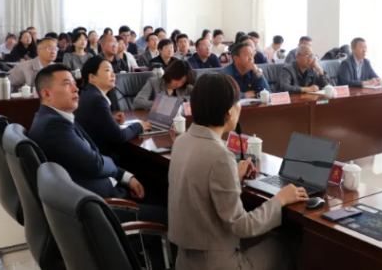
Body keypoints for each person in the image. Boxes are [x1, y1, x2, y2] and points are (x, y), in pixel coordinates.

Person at [169, 72, 305, 270]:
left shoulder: (181, 141)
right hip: (217, 264)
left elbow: (200, 184)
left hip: (185, 261)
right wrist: (280, 199)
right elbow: (242, 226)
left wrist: (233, 175)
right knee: (285, 245)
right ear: (230, 112)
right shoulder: (220, 156)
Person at [27, 64, 166, 224]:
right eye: (67, 84)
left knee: (159, 191)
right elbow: (96, 163)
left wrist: (125, 176)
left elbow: (94, 157)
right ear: (46, 94)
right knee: (171, 210)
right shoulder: (54, 126)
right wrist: (114, 167)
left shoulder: (56, 117)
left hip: (102, 193)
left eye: (74, 83)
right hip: (101, 207)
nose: (75, 89)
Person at [74, 55, 150, 156]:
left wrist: (110, 120)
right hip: (99, 156)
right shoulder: (97, 99)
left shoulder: (87, 94)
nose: (113, 75)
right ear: (92, 77)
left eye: (113, 71)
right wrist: (139, 125)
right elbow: (119, 137)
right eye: (107, 70)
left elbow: (92, 123)